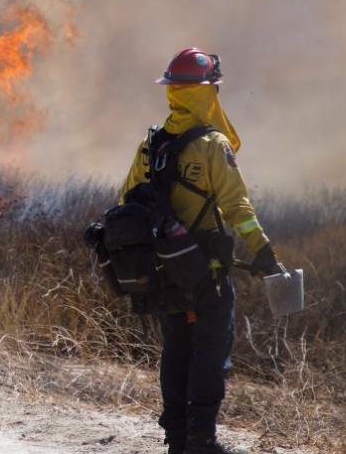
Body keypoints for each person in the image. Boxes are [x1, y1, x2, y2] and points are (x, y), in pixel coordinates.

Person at [120, 48, 279, 454]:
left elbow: (126, 199)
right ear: (208, 92)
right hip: (206, 268)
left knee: (176, 346)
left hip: (166, 267)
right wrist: (261, 250)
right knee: (210, 348)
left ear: (173, 90)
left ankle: (176, 439)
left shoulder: (152, 142)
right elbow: (237, 206)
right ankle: (201, 440)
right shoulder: (212, 144)